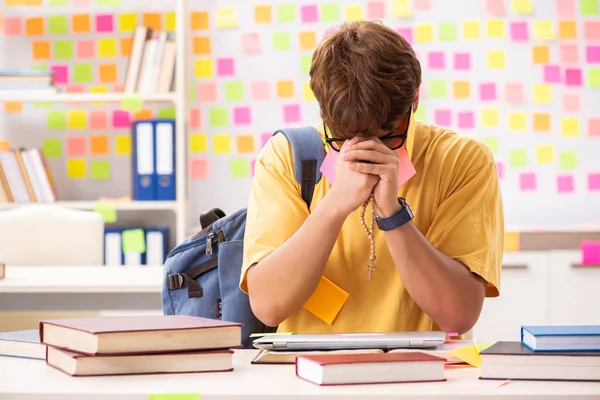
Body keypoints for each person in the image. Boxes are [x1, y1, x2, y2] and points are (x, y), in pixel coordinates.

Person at [239, 20, 503, 335]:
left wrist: (392, 214)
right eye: (342, 140)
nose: (366, 155)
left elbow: (457, 317)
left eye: (387, 138)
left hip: (425, 376)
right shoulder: (287, 157)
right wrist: (335, 204)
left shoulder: (461, 160)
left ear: (414, 101)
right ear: (324, 114)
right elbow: (269, 306)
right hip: (308, 376)